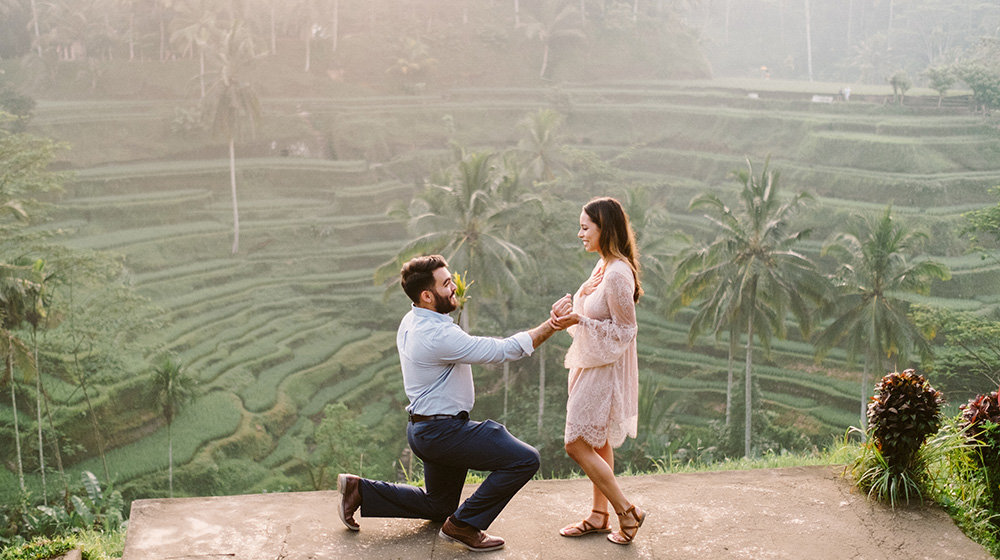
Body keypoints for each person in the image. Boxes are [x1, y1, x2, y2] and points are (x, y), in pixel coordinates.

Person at [337, 254, 562, 552]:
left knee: (439, 505)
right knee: (525, 459)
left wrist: (450, 303)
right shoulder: (436, 335)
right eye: (447, 285)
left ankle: (360, 490)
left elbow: (450, 326)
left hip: (424, 430)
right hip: (443, 433)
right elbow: (502, 351)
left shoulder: (413, 318)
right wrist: (553, 325)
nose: (454, 287)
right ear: (427, 295)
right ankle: (463, 526)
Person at [549, 197, 646, 545]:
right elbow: (590, 312)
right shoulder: (602, 267)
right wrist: (571, 312)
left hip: (603, 372)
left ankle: (627, 511)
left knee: (575, 444)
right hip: (590, 366)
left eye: (585, 227)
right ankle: (599, 515)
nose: (580, 234)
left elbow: (625, 331)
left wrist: (581, 319)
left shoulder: (618, 273)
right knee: (596, 440)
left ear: (604, 228)